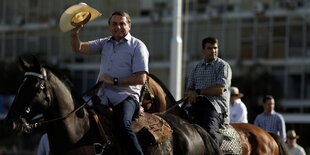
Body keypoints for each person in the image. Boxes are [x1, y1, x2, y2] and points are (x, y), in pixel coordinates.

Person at [71, 11, 149, 155]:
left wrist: (114, 81)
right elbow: (78, 48)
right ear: (109, 27)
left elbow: (141, 79)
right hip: (102, 96)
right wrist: (74, 33)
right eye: (114, 24)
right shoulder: (104, 43)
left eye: (122, 24)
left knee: (123, 125)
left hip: (126, 97)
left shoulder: (138, 46)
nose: (118, 27)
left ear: (129, 26)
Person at [184, 36, 232, 146]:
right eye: (210, 48)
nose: (213, 51)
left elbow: (220, 89)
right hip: (197, 104)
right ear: (203, 51)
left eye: (215, 48)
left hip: (216, 106)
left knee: (210, 133)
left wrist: (199, 92)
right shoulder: (196, 67)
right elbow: (189, 89)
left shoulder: (223, 66)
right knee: (179, 123)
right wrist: (190, 94)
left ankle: (216, 150)